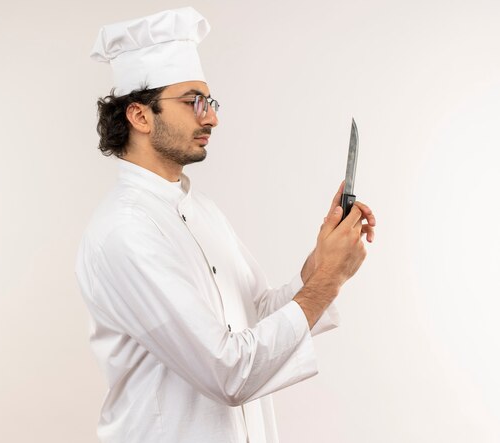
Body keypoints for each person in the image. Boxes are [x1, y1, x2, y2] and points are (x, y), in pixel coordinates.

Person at [75, 7, 376, 443]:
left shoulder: (202, 211)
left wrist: (322, 264)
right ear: (140, 116)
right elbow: (229, 371)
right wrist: (325, 282)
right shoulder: (125, 231)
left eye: (211, 102)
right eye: (193, 101)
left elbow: (257, 320)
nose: (211, 117)